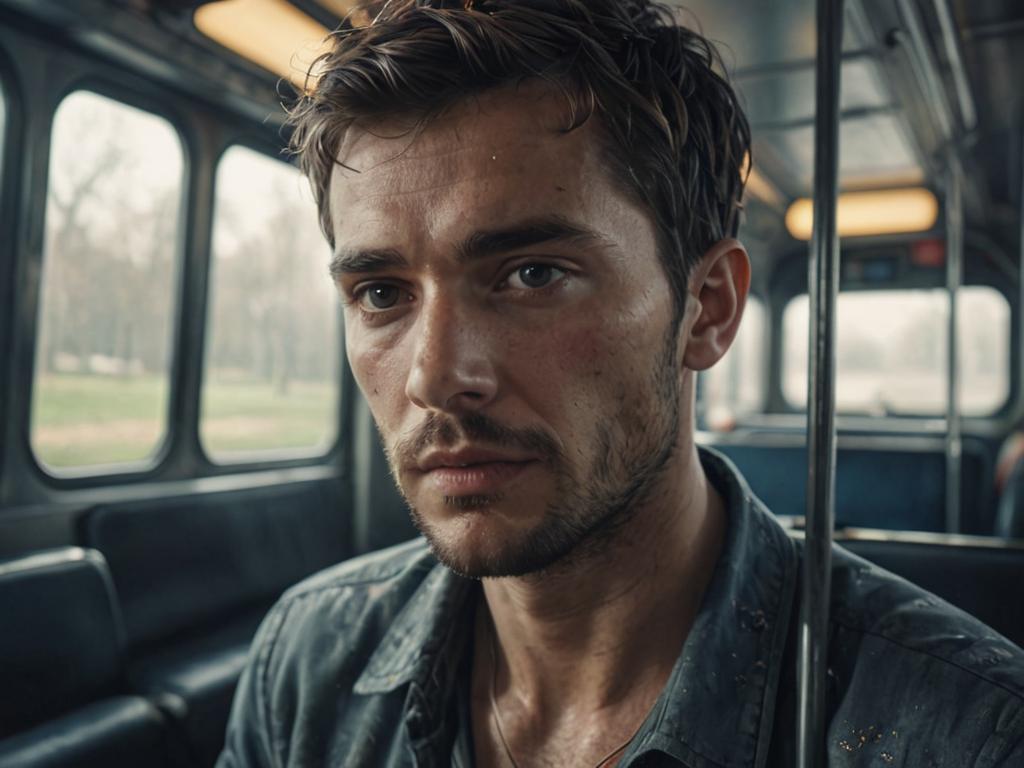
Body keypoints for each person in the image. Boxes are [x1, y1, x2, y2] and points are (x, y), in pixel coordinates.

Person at [218, 1, 1024, 765]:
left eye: (532, 275)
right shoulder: (306, 663)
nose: (435, 377)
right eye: (383, 294)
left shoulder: (968, 735)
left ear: (707, 309)